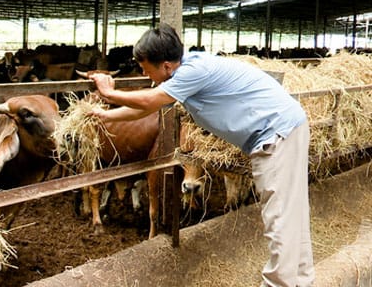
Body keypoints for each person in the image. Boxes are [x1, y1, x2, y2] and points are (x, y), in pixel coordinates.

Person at [88, 23, 313, 287]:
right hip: (286, 128)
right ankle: (301, 280)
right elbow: (144, 110)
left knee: (279, 215)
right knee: (291, 211)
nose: (141, 71)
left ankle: (280, 283)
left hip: (275, 136)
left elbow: (148, 101)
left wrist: (107, 92)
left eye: (144, 66)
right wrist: (105, 114)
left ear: (166, 67)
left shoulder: (193, 72)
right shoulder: (186, 71)